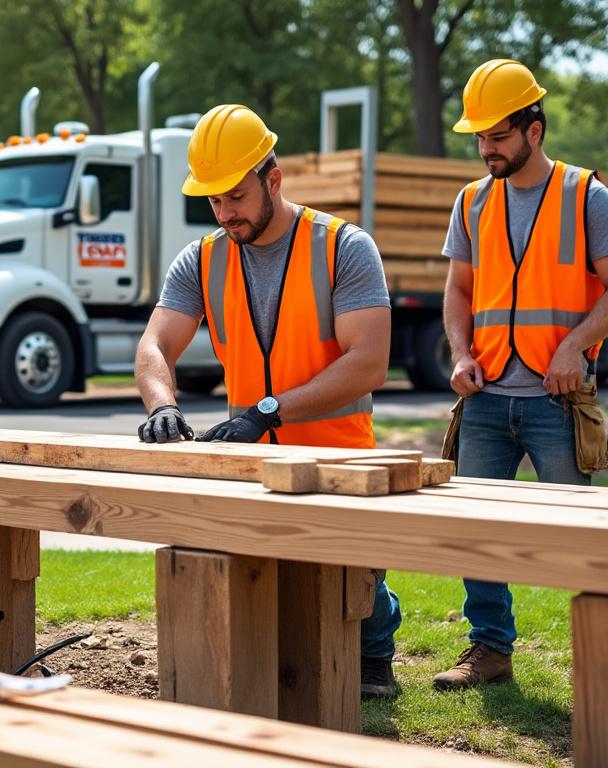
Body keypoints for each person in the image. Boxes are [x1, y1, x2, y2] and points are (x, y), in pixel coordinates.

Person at [134, 104, 403, 697]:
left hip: (339, 456)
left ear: (272, 180)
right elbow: (155, 343)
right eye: (214, 201)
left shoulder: (345, 247)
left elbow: (369, 362)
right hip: (254, 457)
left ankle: (375, 651)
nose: (225, 212)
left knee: (350, 578)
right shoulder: (202, 258)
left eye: (235, 196)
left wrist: (268, 410)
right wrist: (161, 405)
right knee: (274, 590)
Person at [435, 59, 608, 690]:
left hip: (558, 399)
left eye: (497, 135)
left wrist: (577, 344)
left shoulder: (586, 195)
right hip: (488, 395)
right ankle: (489, 648)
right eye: (479, 137)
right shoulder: (471, 202)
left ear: (535, 129)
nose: (486, 148)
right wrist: (460, 353)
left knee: (577, 537)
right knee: (477, 530)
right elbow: (458, 291)